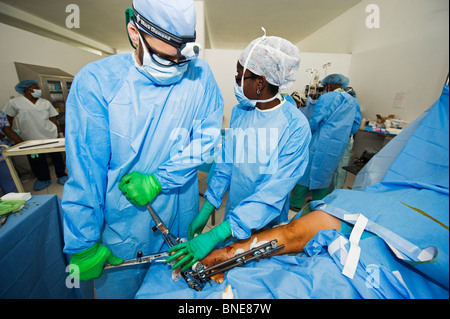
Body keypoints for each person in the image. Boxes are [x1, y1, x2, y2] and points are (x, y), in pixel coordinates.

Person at [62, 0, 224, 298]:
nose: (176, 67)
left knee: (180, 291)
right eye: (165, 57)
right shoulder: (97, 82)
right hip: (124, 225)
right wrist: (82, 242)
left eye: (182, 58)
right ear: (134, 33)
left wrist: (159, 179)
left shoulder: (200, 76)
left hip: (180, 212)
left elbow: (207, 139)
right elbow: (86, 168)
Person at [167, 33, 311, 272]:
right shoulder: (241, 113)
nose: (236, 82)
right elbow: (225, 164)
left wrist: (218, 233)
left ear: (260, 82)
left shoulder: (295, 127)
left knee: (255, 275)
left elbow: (272, 195)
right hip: (233, 215)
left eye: (240, 76)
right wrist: (208, 207)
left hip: (267, 223)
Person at [290, 74, 361, 210]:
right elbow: (355, 126)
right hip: (338, 144)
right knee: (326, 174)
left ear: (329, 85)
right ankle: (317, 205)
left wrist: (308, 133)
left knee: (307, 170)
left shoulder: (326, 97)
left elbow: (316, 120)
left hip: (321, 140)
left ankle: (296, 204)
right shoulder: (353, 102)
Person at [3, 79, 68, 191]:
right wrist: (16, 138)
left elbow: (53, 119)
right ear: (27, 90)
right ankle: (43, 179)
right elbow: (7, 122)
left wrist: (60, 134)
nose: (39, 90)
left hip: (50, 135)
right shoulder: (14, 103)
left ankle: (61, 175)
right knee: (37, 161)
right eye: (36, 88)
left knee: (57, 157)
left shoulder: (45, 103)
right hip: (30, 137)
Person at [0, 110, 23, 194]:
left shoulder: (1, 113)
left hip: (2, 154)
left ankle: (14, 201)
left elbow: (8, 130)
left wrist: (24, 145)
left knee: (8, 180)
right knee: (8, 181)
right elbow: (7, 131)